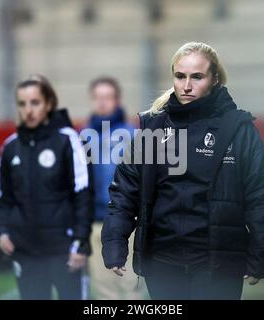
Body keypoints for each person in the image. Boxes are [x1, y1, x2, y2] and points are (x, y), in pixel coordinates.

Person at [101, 42, 264, 300]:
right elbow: (124, 192)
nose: (186, 85)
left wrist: (261, 254)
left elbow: (260, 197)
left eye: (197, 77)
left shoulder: (239, 129)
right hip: (161, 263)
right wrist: (115, 242)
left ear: (214, 78)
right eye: (180, 76)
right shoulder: (152, 129)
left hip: (218, 266)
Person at [0, 74, 93, 300]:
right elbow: (4, 198)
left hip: (64, 250)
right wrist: (2, 232)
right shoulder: (10, 148)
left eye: (35, 102)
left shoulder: (68, 140)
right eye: (22, 104)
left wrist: (80, 242)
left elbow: (83, 194)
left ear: (48, 104)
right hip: (25, 251)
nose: (28, 110)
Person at [85, 77, 146, 299]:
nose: (102, 103)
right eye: (97, 98)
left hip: (128, 221)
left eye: (107, 97)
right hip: (96, 221)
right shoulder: (84, 137)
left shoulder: (133, 135)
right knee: (103, 290)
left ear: (117, 100)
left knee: (131, 286)